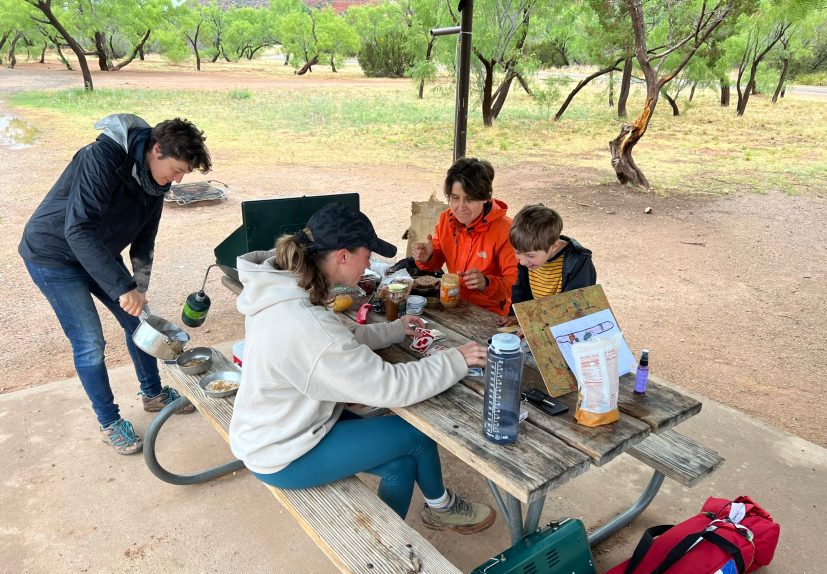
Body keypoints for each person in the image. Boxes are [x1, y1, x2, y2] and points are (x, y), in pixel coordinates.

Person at [230, 202, 496, 533]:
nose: (370, 263)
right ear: (342, 256)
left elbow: (342, 336)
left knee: (400, 464)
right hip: (282, 451)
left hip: (284, 423)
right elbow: (391, 386)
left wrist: (396, 330)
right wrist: (458, 358)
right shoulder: (306, 325)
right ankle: (415, 528)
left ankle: (401, 533)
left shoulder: (285, 290)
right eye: (367, 254)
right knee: (417, 433)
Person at [19, 114, 212, 455]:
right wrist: (123, 288)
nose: (179, 178)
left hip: (98, 253)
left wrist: (139, 284)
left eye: (184, 172)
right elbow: (78, 230)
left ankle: (153, 394)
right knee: (90, 340)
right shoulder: (101, 159)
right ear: (156, 149)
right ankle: (109, 423)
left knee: (141, 322)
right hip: (53, 255)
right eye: (178, 168)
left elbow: (145, 236)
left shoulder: (157, 180)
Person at [411, 157, 519, 316]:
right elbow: (437, 259)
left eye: (470, 199)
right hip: (453, 302)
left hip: (490, 313)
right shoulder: (446, 219)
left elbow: (516, 284)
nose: (461, 207)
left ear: (485, 197)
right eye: (455, 198)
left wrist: (486, 283)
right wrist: (428, 257)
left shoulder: (506, 231)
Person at [499, 203, 597, 327]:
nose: (522, 262)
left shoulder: (579, 262)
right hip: (538, 320)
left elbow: (577, 306)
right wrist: (520, 315)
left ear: (554, 246)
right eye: (517, 252)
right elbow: (520, 290)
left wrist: (537, 324)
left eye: (530, 256)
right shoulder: (527, 255)